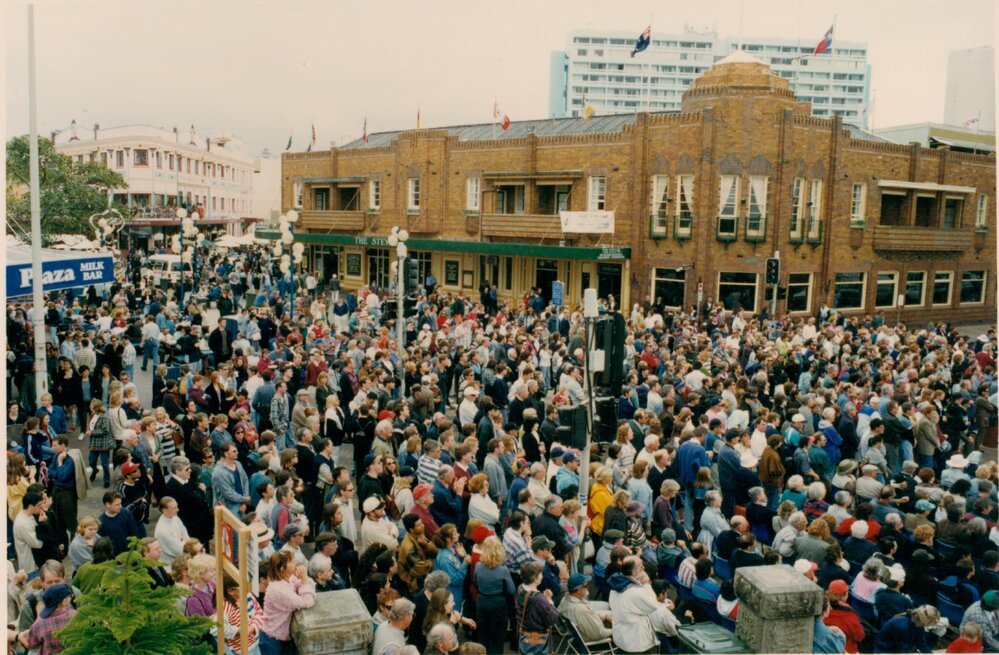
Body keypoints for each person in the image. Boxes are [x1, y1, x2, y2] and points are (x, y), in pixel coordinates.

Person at [608, 555, 680, 653]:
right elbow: (653, 605)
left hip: (622, 634)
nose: (644, 568)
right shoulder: (634, 591)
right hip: (635, 641)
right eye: (641, 567)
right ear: (633, 572)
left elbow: (636, 604)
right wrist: (646, 584)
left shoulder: (616, 585)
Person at [259, 550, 317, 654]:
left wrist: (304, 580)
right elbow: (308, 601)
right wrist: (304, 579)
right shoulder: (279, 590)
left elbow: (311, 584)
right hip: (273, 641)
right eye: (292, 562)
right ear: (282, 569)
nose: (296, 564)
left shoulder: (287, 579)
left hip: (282, 638)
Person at [475, 535, 515, 655]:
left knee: (483, 635)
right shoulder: (503, 570)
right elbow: (511, 590)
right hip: (498, 603)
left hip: (482, 601)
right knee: (497, 638)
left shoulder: (478, 566)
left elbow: (475, 582)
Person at [515, 561, 559, 655]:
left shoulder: (520, 589)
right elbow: (553, 618)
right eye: (540, 574)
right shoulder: (539, 599)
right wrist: (549, 600)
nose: (542, 576)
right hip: (538, 638)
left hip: (524, 635)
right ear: (534, 578)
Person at [557, 572, 614, 643]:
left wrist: (605, 616)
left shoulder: (566, 598)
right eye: (586, 585)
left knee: (610, 613)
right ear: (579, 590)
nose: (588, 587)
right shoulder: (581, 610)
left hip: (583, 629)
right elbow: (599, 634)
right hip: (590, 636)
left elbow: (591, 615)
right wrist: (616, 630)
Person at [874, 605, 940, 654]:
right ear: (925, 621)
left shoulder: (918, 624)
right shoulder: (902, 626)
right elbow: (904, 650)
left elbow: (921, 643)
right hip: (884, 651)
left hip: (897, 648)